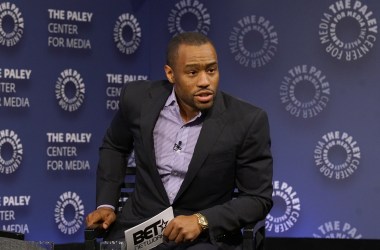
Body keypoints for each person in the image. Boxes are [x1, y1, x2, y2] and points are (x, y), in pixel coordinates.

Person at [86, 31, 273, 249]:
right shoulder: (137, 99)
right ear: (170, 73)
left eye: (211, 70)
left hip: (202, 240)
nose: (205, 81)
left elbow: (258, 199)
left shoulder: (247, 120)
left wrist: (202, 221)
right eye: (192, 72)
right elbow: (115, 146)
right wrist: (106, 204)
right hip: (139, 229)